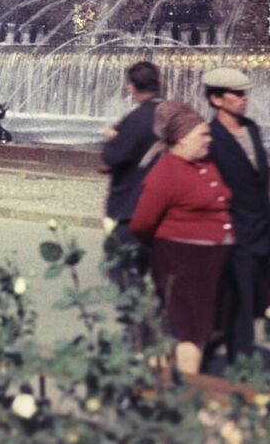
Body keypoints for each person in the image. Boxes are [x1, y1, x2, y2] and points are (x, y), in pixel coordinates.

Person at [130, 100, 235, 375]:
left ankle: (166, 379)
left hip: (214, 263)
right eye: (203, 134)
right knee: (191, 330)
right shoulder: (166, 171)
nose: (209, 138)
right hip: (183, 261)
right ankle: (186, 397)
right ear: (181, 138)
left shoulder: (205, 164)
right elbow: (142, 222)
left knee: (205, 326)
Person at [203, 67, 270, 364]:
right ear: (217, 99)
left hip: (264, 227)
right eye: (237, 94)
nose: (244, 98)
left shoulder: (252, 129)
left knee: (259, 299)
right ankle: (240, 371)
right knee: (240, 305)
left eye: (245, 93)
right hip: (236, 233)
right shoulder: (211, 139)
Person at [102, 60, 162, 288]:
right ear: (160, 83)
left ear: (131, 88)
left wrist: (110, 139)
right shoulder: (174, 116)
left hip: (133, 209)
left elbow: (113, 157)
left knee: (125, 275)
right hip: (166, 210)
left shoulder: (134, 121)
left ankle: (140, 320)